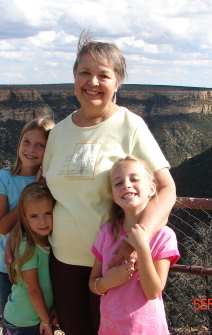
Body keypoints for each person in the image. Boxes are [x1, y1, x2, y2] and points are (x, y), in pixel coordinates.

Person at [41, 30, 177, 335]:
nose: (92, 82)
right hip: (63, 260)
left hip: (114, 265)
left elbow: (166, 189)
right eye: (84, 73)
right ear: (73, 77)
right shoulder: (59, 132)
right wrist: (17, 237)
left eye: (103, 75)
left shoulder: (130, 125)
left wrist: (136, 240)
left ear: (117, 82)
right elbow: (44, 193)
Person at [89, 156, 180, 335]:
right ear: (113, 197)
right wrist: (106, 283)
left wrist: (142, 248)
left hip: (147, 329)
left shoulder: (164, 236)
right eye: (118, 183)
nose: (126, 185)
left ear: (152, 188)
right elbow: (93, 282)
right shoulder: (107, 233)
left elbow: (153, 291)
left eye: (135, 179)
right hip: (111, 327)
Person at [0, 117, 55, 333]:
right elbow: (2, 226)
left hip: (46, 264)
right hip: (10, 267)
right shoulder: (3, 178)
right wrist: (33, 190)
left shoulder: (52, 180)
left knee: (45, 320)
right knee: (16, 321)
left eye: (40, 145)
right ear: (18, 142)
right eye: (26, 142)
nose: (31, 149)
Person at [3, 182, 57, 335]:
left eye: (48, 213)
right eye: (34, 216)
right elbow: (32, 289)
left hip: (37, 317)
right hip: (22, 322)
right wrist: (45, 320)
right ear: (25, 218)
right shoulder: (26, 246)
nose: (43, 222)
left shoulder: (49, 240)